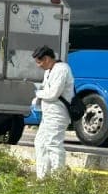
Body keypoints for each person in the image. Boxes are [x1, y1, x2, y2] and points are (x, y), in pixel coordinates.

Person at [31, 45, 75, 179]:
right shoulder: (49, 71)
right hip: (48, 115)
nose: (38, 65)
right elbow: (46, 89)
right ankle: (42, 178)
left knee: (53, 144)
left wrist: (38, 93)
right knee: (40, 143)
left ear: (46, 59)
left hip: (58, 115)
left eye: (39, 62)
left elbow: (53, 94)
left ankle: (58, 180)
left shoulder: (62, 69)